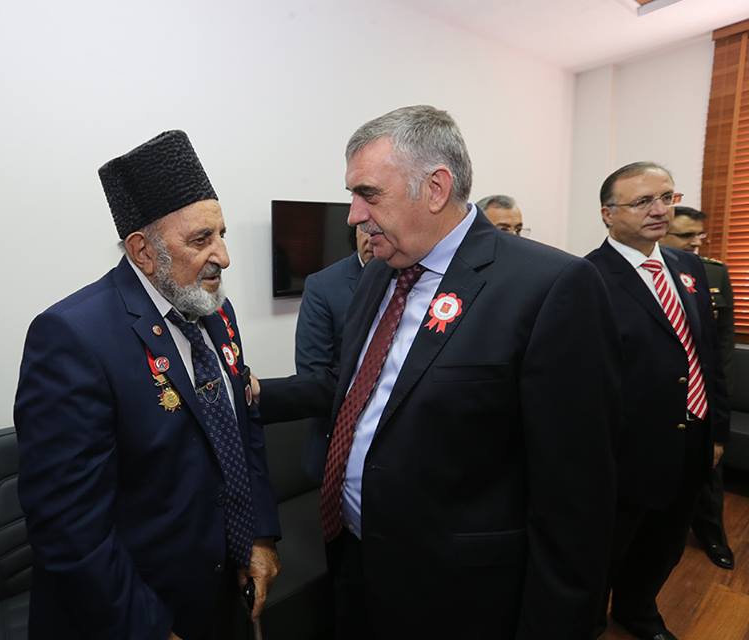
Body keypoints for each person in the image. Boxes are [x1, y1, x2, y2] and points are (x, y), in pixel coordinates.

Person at [258, 105, 620, 639]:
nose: (354, 215)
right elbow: (358, 387)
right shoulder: (380, 273)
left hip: (458, 591)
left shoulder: (550, 286)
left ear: (435, 188)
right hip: (355, 558)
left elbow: (576, 495)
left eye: (368, 194)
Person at [15, 130, 281, 640]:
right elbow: (67, 524)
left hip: (220, 593)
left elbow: (243, 430)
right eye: (201, 240)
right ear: (142, 250)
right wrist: (145, 627)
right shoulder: (73, 336)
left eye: (221, 234)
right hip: (130, 610)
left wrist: (259, 535)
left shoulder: (216, 312)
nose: (224, 256)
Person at [586, 164, 728, 640]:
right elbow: (581, 380)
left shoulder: (689, 268)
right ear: (608, 214)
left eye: (666, 197)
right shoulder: (585, 277)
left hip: (692, 437)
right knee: (608, 547)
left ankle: (638, 609)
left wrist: (716, 431)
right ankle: (588, 621)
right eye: (643, 201)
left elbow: (707, 355)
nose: (659, 209)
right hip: (626, 448)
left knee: (664, 543)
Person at [660, 205, 736, 571]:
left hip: (701, 391)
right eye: (686, 235)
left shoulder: (711, 272)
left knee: (709, 474)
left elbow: (722, 342)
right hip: (660, 395)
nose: (696, 243)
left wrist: (715, 391)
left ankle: (712, 534)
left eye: (699, 235)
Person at [294, 225, 372, 375]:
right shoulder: (322, 286)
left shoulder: (410, 277)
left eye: (379, 228)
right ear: (355, 231)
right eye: (365, 227)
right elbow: (312, 373)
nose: (371, 238)